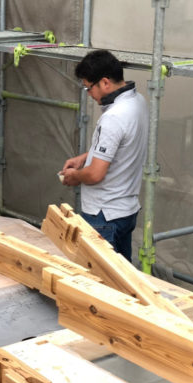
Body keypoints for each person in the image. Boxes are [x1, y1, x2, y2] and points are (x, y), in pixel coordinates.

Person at [60, 49, 148, 262]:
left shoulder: (113, 117)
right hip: (126, 210)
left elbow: (95, 174)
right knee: (121, 275)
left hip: (104, 214)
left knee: (98, 277)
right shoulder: (138, 102)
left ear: (105, 83)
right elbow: (122, 144)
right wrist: (85, 157)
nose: (89, 94)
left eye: (89, 87)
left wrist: (75, 176)